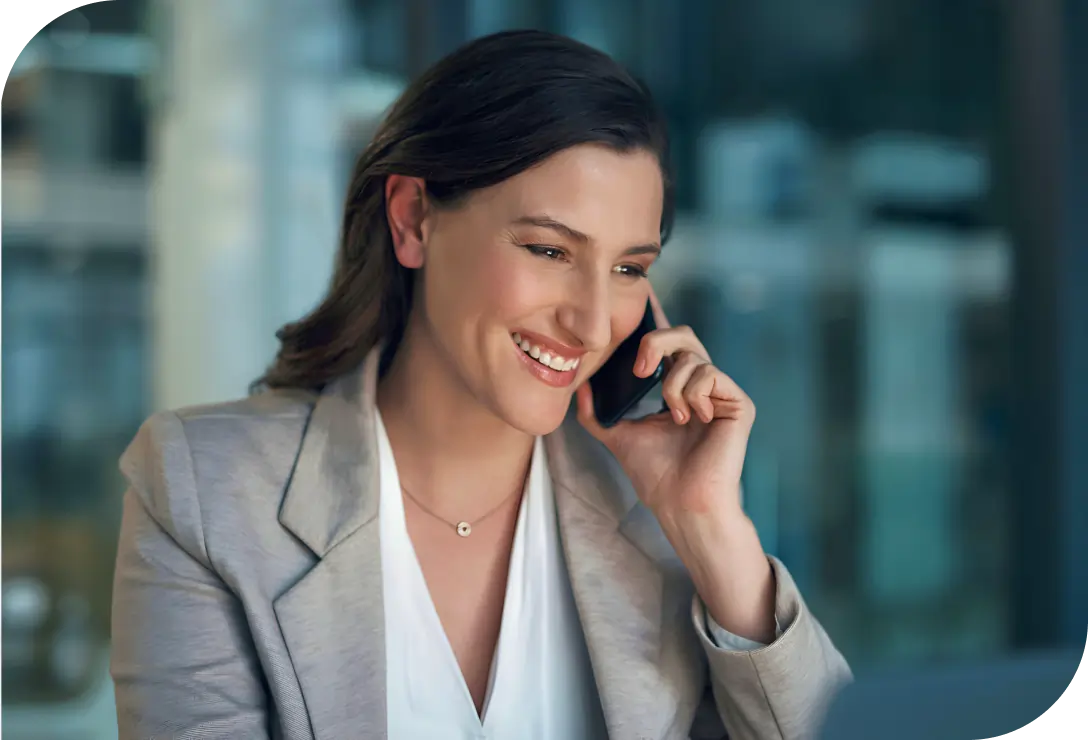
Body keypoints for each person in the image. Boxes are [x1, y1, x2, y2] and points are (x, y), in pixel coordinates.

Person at [110, 29, 851, 740]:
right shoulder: (208, 492)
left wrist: (708, 527)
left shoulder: (654, 522)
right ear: (413, 221)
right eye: (549, 249)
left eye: (629, 268)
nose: (593, 322)